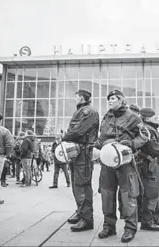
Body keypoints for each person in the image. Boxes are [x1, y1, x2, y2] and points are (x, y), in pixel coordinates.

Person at [95, 89, 148, 243]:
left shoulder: (133, 117)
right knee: (107, 194)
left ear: (122, 100)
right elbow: (102, 135)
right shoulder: (107, 117)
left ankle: (130, 228)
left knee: (128, 195)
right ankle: (109, 226)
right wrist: (98, 144)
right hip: (107, 162)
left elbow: (145, 135)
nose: (110, 101)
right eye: (109, 99)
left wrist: (132, 144)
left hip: (125, 162)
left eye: (113, 98)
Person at [62, 89, 100, 232]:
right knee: (77, 184)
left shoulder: (89, 111)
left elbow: (79, 131)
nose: (75, 99)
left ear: (83, 99)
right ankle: (81, 212)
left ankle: (87, 219)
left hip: (83, 152)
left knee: (82, 185)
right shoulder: (81, 111)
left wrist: (65, 137)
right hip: (77, 152)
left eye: (77, 97)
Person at [137, 107, 159, 231]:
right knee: (151, 193)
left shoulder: (150, 128)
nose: (155, 118)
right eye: (153, 116)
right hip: (148, 164)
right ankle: (147, 221)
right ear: (147, 117)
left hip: (150, 164)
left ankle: (153, 218)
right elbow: (153, 148)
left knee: (155, 192)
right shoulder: (147, 129)